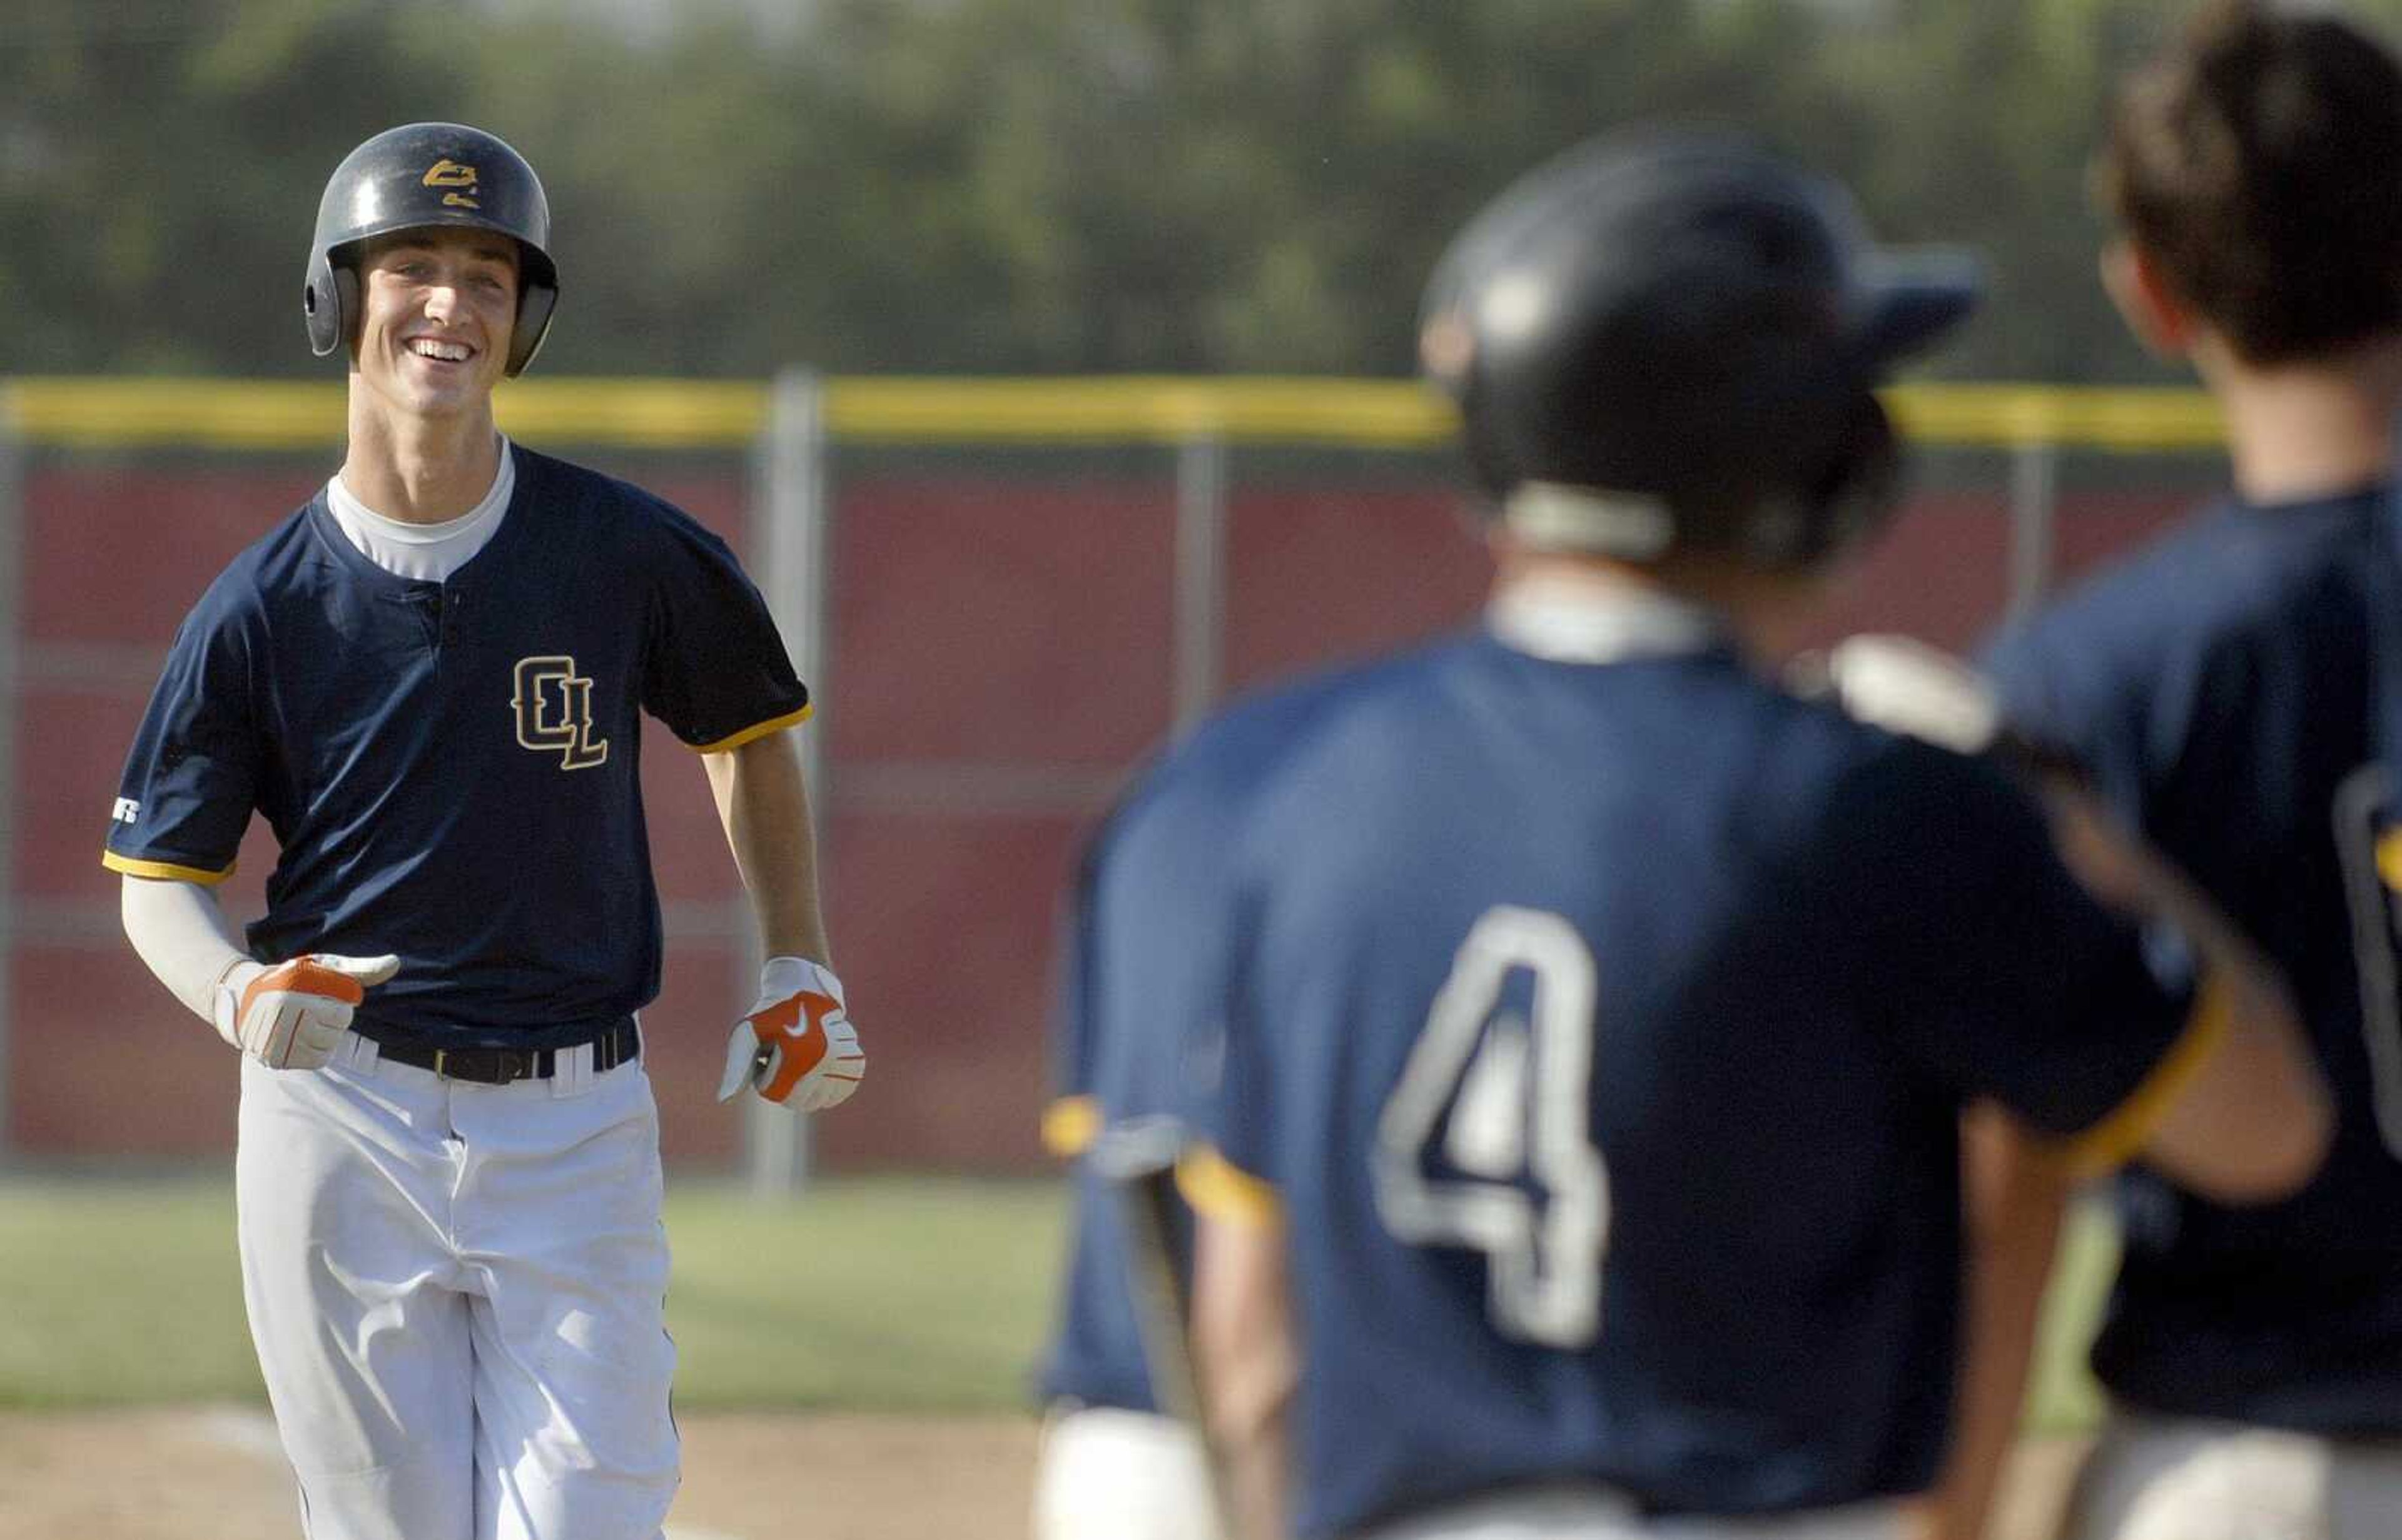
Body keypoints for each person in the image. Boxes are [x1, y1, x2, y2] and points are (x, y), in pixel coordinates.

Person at [1064, 130, 2335, 1540]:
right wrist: (2069, 820)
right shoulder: (1883, 806)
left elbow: (1252, 1340)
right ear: (1812, 450)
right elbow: (2263, 1133)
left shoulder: (1307, 797)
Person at [102, 121, 864, 1540]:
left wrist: (798, 963)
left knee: (592, 1518)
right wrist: (234, 992)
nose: (451, 304)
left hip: (580, 1119)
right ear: (339, 297)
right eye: (415, 267)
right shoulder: (259, 607)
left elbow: (746, 738)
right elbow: (161, 882)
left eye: (489, 277)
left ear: (527, 322)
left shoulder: (628, 550)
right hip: (343, 1119)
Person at [1975, 6, 2402, 1536]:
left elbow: (2011, 1151)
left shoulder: (2083, 683)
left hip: (2246, 1465)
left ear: (2151, 293)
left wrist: (1955, 1508)